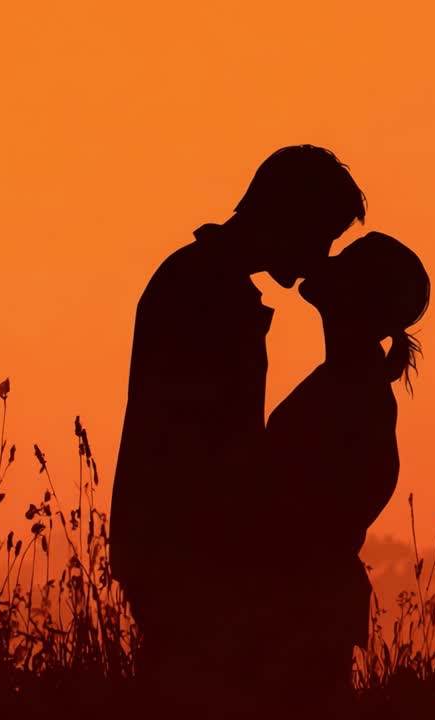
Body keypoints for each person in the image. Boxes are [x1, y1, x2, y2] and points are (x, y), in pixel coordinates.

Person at [108, 145, 366, 703]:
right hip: (186, 551)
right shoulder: (203, 291)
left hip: (183, 547)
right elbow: (203, 440)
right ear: (285, 215)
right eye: (319, 234)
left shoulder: (203, 280)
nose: (318, 257)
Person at [255, 231, 429, 712]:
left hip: (300, 605)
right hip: (306, 600)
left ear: (359, 297)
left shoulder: (353, 394)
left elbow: (303, 514)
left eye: (345, 261)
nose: (326, 260)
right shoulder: (351, 382)